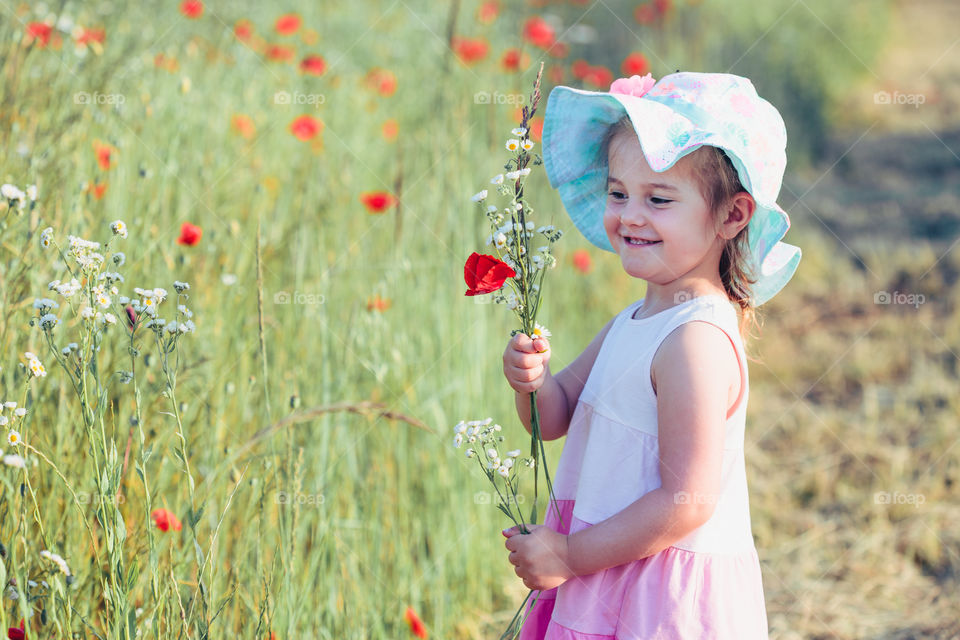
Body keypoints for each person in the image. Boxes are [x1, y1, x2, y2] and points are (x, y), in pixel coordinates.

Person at [500, 71, 802, 639]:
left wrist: (567, 556)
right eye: (618, 193)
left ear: (731, 216)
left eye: (658, 199)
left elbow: (687, 500)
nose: (629, 215)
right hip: (607, 566)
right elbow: (555, 415)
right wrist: (531, 382)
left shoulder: (695, 341)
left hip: (658, 598)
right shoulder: (635, 321)